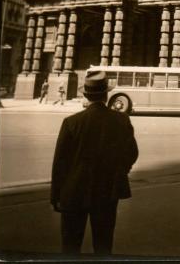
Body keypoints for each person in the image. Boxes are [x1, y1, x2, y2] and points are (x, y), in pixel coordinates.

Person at [51, 70, 139, 255]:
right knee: (103, 245)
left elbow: (60, 163)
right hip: (107, 191)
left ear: (85, 95)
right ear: (106, 94)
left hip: (73, 191)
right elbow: (132, 153)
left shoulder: (71, 122)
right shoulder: (121, 119)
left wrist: (55, 195)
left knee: (70, 247)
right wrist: (119, 170)